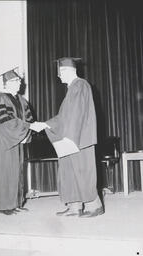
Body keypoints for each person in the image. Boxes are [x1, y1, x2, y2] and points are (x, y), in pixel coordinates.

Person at [30, 57, 104, 217]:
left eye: (61, 72)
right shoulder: (72, 89)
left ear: (69, 70)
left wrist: (70, 138)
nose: (59, 76)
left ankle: (94, 206)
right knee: (69, 172)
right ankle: (74, 206)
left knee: (83, 172)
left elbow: (77, 114)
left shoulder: (80, 85)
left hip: (79, 139)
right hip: (71, 137)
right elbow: (63, 117)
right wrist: (45, 124)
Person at [0, 67, 33, 215]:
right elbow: (6, 121)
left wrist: (27, 132)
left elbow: (28, 118)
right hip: (5, 142)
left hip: (17, 140)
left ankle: (16, 202)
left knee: (18, 171)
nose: (19, 83)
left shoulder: (21, 99)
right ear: (6, 83)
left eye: (19, 80)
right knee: (6, 171)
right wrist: (26, 128)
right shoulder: (0, 97)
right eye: (15, 80)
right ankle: (4, 205)